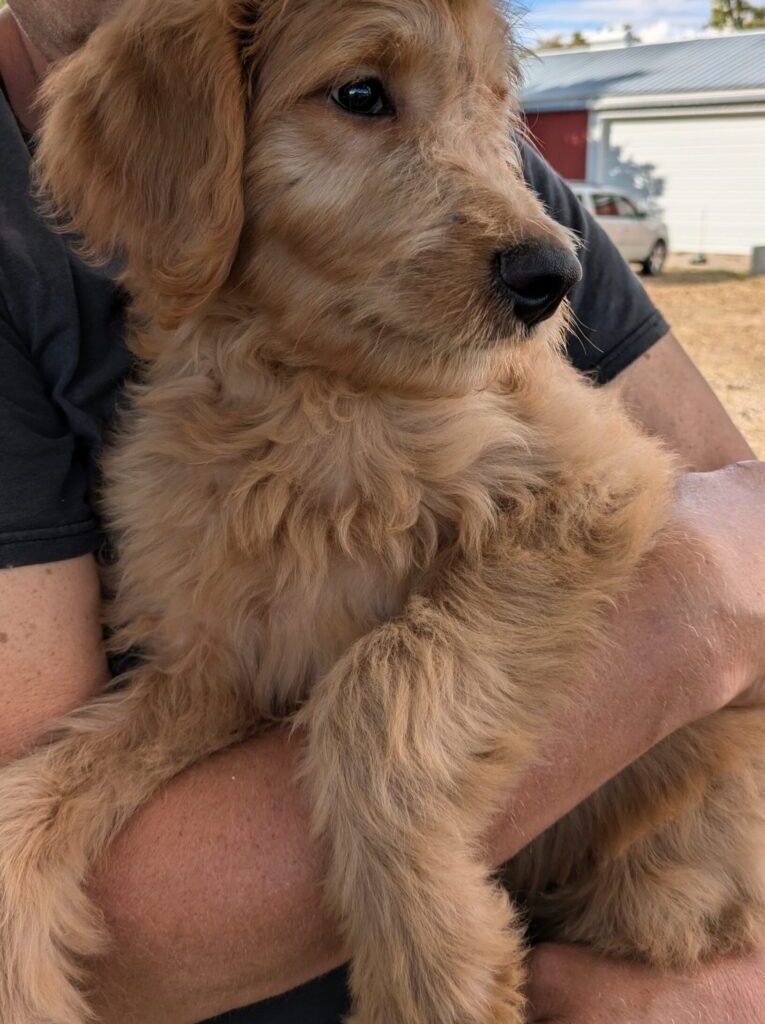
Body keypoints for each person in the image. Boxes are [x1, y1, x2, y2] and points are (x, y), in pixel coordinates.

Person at [0, 2, 763, 1022]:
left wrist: (390, 752)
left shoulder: (474, 331)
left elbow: (673, 514)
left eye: (490, 112)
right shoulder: (180, 402)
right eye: (364, 99)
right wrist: (35, 839)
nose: (524, 220)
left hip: (665, 883)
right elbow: (217, 682)